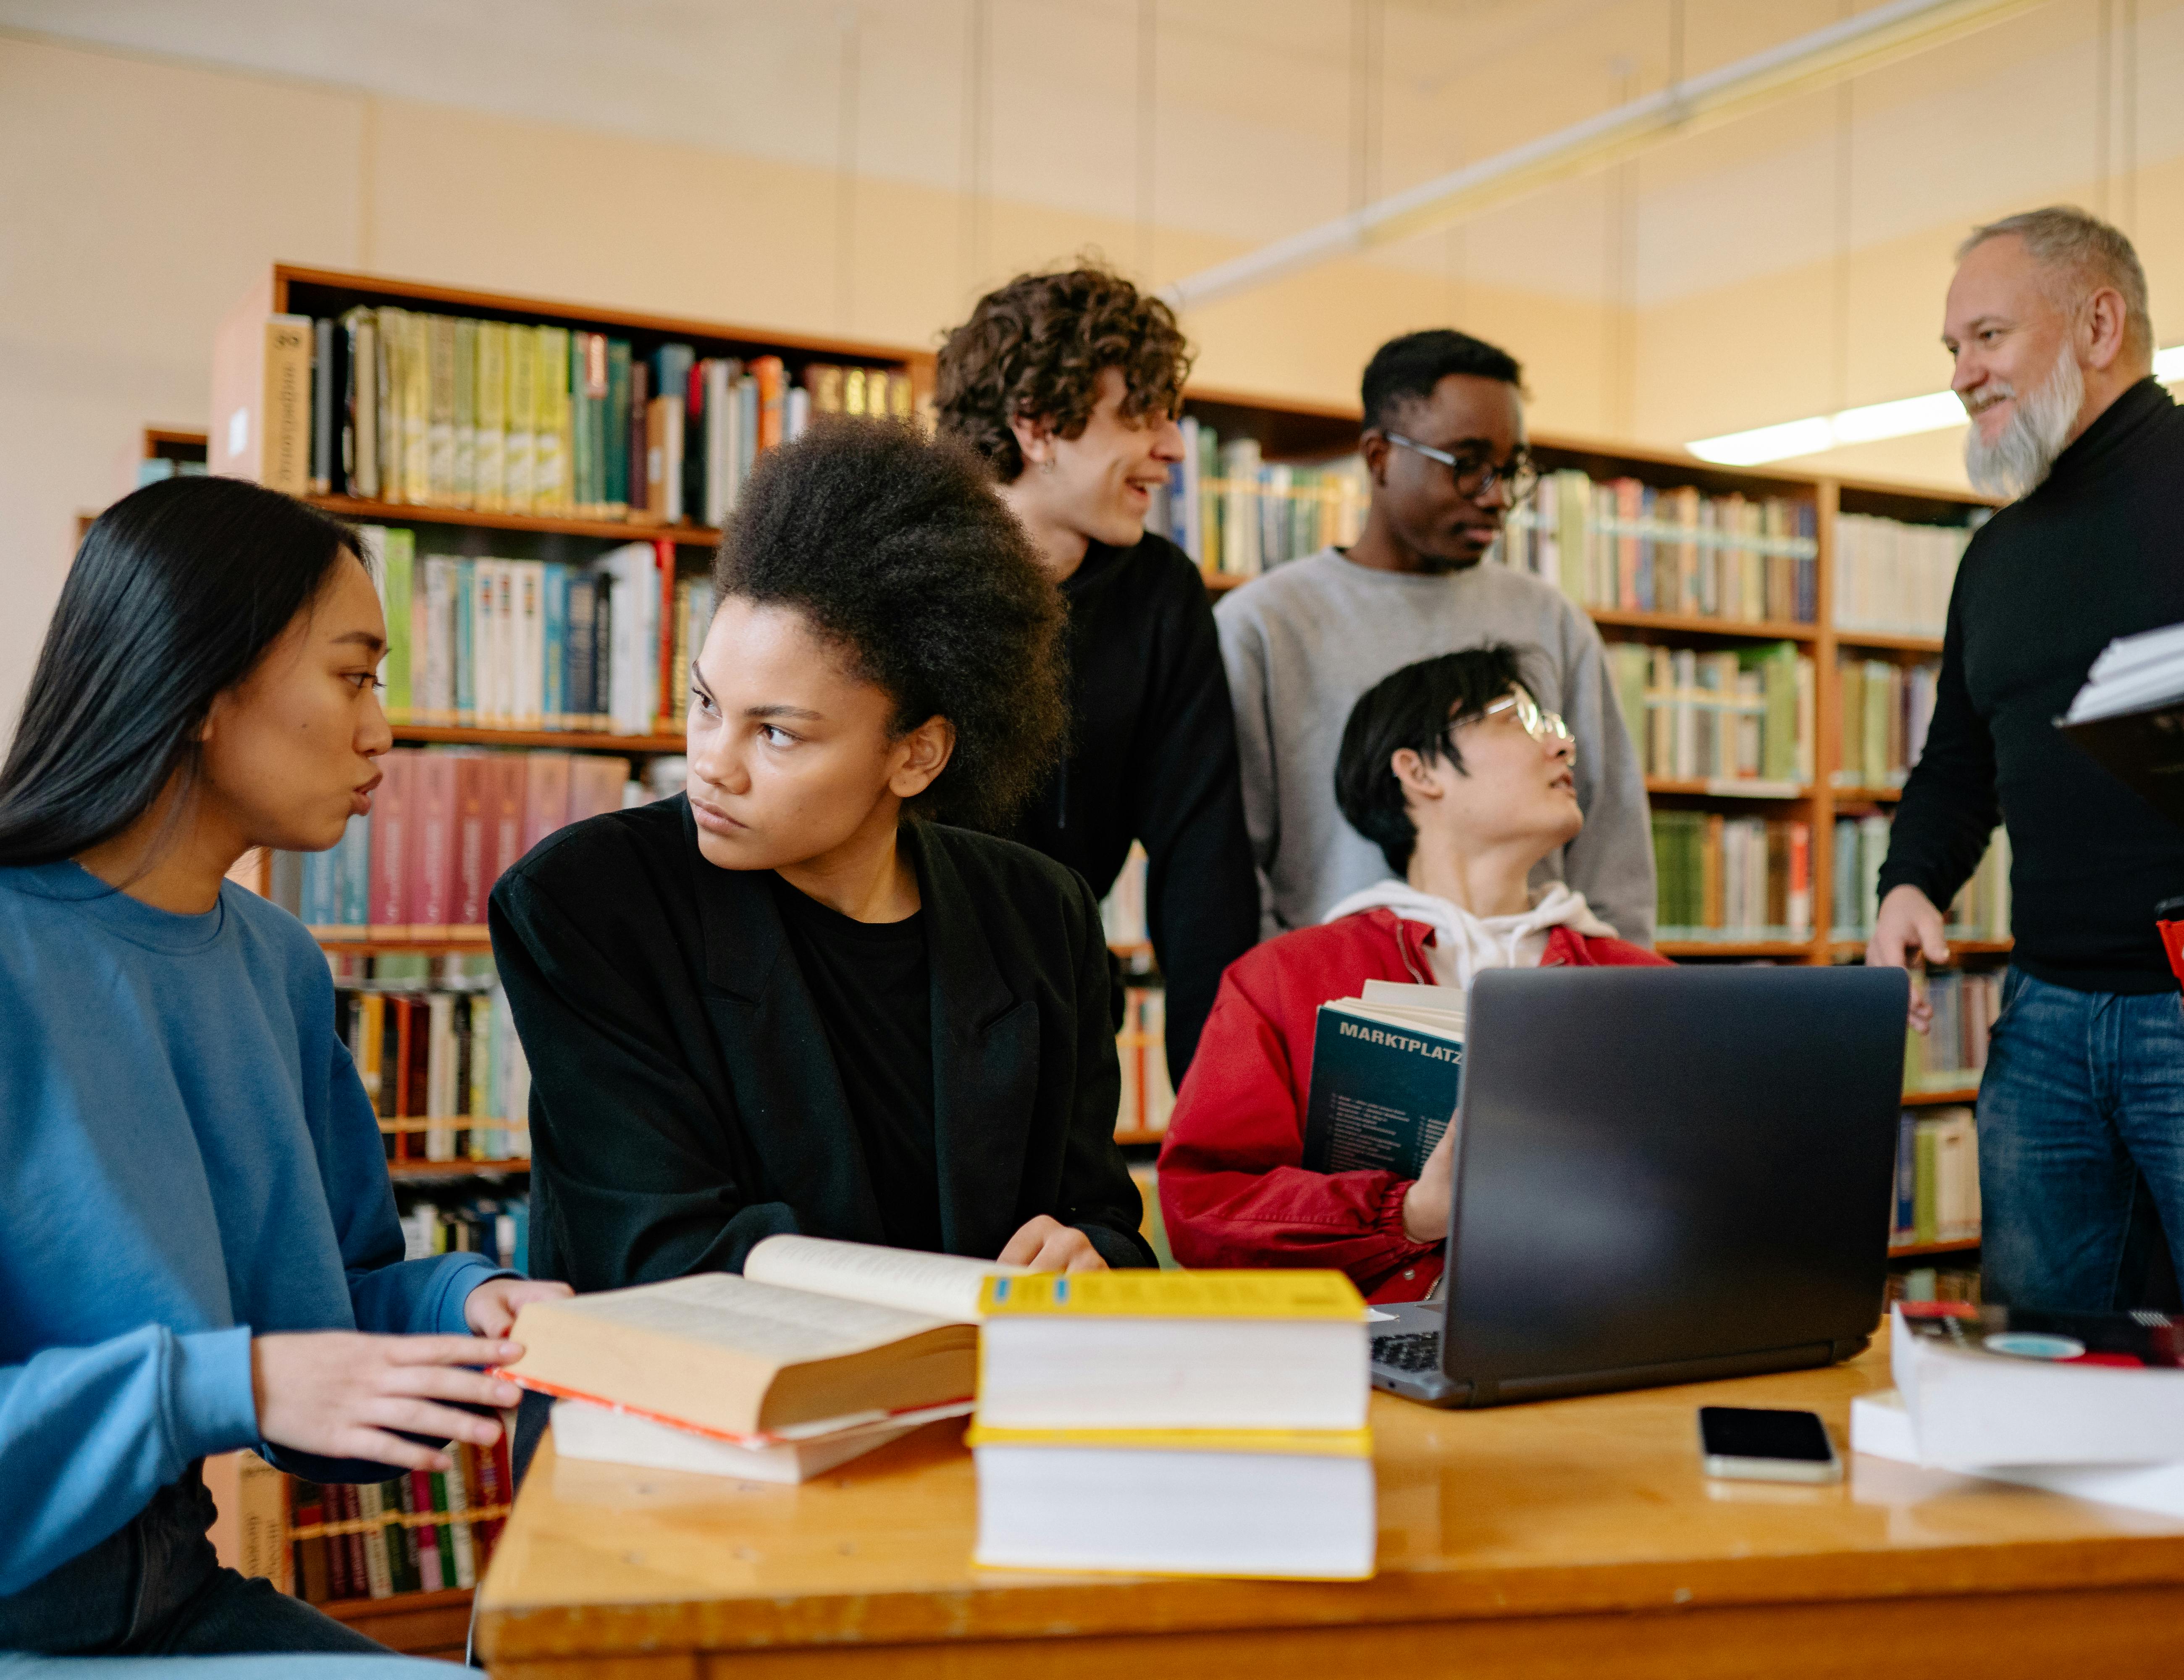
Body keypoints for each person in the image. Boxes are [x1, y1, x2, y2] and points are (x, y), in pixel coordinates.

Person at [0, 476, 563, 1659]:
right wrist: (221, 1388)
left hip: (175, 1602)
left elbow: (318, 1316)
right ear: (201, 684)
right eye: (353, 674)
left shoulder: (279, 967)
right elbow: (251, 1374)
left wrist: (469, 1308)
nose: (382, 730)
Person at [493, 417, 1153, 1317]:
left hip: (970, 1417)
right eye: (704, 703)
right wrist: (966, 1292)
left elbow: (1101, 1213)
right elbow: (660, 1252)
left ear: (916, 755)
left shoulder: (1041, 913)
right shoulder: (587, 905)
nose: (711, 763)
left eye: (776, 731)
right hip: (692, 1424)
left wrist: (1093, 1256)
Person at [1866, 205, 2184, 1318]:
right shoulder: (1995, 556)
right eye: (1952, 349)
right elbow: (1959, 761)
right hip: (2043, 1025)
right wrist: (1908, 882)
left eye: (1989, 337)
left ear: (2100, 322)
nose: (1962, 373)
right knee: (2039, 1375)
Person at [1159, 645, 1667, 1302]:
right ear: (1419, 770)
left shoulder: (1647, 986)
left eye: (1560, 728)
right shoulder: (1282, 981)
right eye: (1522, 719)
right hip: (1369, 1363)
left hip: (1608, 1340)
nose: (1564, 748)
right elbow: (1206, 1210)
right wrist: (1411, 1212)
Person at [1215, 329, 1656, 945]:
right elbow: (1229, 862)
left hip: (1537, 1002)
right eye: (1467, 465)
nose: (1497, 497)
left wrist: (1619, 1002)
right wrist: (1285, 1001)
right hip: (1341, 1006)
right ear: (1378, 457)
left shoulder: (1551, 622)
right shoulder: (1263, 625)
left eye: (1511, 470)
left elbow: (1612, 843)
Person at [934, 263, 1258, 1086]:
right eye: (1140, 414)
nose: (1174, 446)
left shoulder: (1162, 594)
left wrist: (1217, 1110)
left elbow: (1203, 865)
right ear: (1037, 425)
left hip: (1060, 1037)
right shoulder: (901, 571)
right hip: (890, 1030)